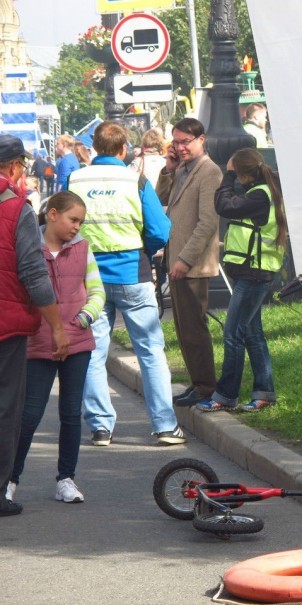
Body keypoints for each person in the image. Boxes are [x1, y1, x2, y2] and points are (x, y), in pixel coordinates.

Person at [67, 121, 186, 447]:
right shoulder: (135, 180)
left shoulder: (75, 179)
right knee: (150, 351)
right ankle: (165, 426)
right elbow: (160, 230)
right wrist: (145, 249)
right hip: (132, 272)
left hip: (88, 278)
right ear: (123, 149)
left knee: (93, 353)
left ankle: (101, 428)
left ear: (94, 147)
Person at [7, 192, 105, 505]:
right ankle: (10, 479)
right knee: (29, 415)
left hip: (77, 341)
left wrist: (84, 318)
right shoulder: (29, 246)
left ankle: (66, 479)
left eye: (81, 222)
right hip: (38, 343)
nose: (77, 227)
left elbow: (97, 292)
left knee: (71, 413)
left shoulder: (83, 248)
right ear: (52, 214)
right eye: (72, 219)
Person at [0, 134, 69, 517]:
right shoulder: (16, 208)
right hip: (6, 327)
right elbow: (32, 272)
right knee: (5, 408)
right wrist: (57, 325)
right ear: (13, 167)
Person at [196, 148, 288, 412]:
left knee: (233, 334)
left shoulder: (259, 195)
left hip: (254, 273)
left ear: (244, 174)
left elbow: (223, 205)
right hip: (253, 270)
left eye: (236, 174)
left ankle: (225, 395)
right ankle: (264, 392)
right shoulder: (262, 191)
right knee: (251, 332)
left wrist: (227, 175)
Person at [155, 118, 222, 408]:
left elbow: (207, 223)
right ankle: (197, 383)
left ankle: (206, 386)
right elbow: (160, 198)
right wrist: (168, 170)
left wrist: (184, 259)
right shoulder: (182, 168)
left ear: (201, 140)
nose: (180, 147)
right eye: (176, 142)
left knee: (194, 328)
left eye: (185, 142)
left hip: (192, 264)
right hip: (176, 259)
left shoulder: (209, 171)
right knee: (183, 329)